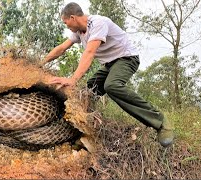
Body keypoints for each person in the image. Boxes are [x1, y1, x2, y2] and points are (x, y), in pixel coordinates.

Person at [41, 2, 174, 147]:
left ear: (73, 17)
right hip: (110, 64)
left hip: (127, 58)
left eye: (66, 23)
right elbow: (61, 48)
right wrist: (41, 63)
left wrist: (73, 79)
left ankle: (161, 122)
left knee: (112, 86)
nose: (66, 26)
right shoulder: (78, 32)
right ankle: (85, 128)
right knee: (88, 90)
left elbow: (90, 52)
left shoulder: (98, 23)